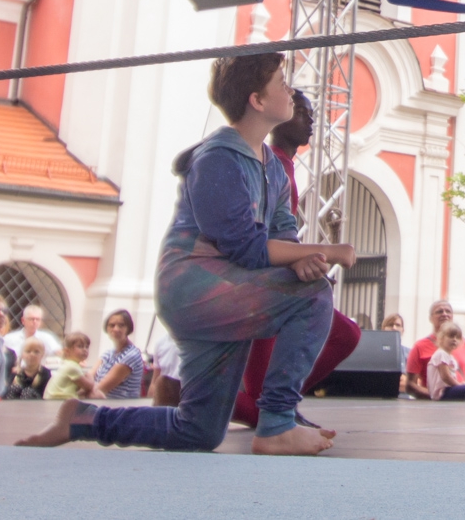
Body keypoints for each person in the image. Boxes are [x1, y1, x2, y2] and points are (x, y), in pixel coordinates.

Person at [18, 52, 353, 456]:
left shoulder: (273, 169)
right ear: (257, 100)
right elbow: (246, 248)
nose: (290, 91)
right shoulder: (218, 159)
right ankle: (277, 423)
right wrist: (325, 251)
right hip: (195, 288)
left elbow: (283, 236)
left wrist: (302, 259)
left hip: (227, 289)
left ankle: (84, 419)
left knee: (198, 430)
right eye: (281, 83)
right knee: (313, 295)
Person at [235, 90, 362, 427]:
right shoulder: (269, 165)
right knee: (343, 335)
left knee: (345, 334)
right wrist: (303, 259)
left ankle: (277, 402)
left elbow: (280, 236)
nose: (311, 121)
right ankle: (191, 394)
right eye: (302, 112)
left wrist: (304, 262)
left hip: (277, 285)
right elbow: (260, 236)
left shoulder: (282, 166)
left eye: (311, 114)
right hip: (263, 291)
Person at [405, 301, 465, 400]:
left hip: (463, 400)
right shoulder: (419, 346)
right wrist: (434, 397)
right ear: (431, 318)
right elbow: (410, 385)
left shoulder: (464, 344)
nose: (444, 314)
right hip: (439, 400)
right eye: (439, 311)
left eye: (448, 311)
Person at [93, 309, 145, 400]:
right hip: (102, 404)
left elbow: (101, 389)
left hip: (121, 407)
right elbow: (89, 376)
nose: (116, 329)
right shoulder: (108, 353)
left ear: (128, 328)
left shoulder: (131, 355)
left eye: (121, 325)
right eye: (112, 325)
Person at [427, 322, 465, 401]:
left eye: (457, 337)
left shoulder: (449, 357)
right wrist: (459, 385)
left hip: (448, 389)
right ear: (442, 338)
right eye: (451, 336)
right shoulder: (441, 354)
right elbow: (446, 377)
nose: (454, 340)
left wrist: (462, 384)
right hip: (442, 392)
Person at [44, 332, 98, 400]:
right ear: (67, 351)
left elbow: (79, 388)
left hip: (63, 400)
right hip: (58, 400)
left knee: (94, 393)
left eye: (87, 347)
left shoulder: (70, 364)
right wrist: (90, 375)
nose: (85, 350)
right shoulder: (72, 367)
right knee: (95, 393)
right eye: (80, 346)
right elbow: (89, 386)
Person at [146, 332, 183, 407]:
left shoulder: (197, 340)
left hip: (187, 394)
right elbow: (155, 378)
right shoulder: (160, 343)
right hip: (165, 395)